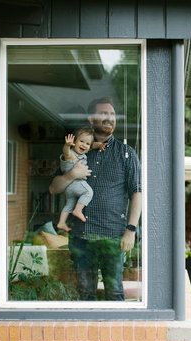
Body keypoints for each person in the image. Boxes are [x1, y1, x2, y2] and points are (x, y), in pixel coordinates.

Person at [49, 97, 142, 301]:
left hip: (113, 237)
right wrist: (71, 175)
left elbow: (137, 192)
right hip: (82, 237)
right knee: (85, 294)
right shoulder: (77, 152)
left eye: (112, 114)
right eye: (104, 114)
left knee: (115, 293)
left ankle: (115, 334)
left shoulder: (127, 154)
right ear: (91, 119)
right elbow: (53, 188)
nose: (109, 118)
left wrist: (131, 230)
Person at [56, 128, 105, 231]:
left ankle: (61, 222)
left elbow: (92, 145)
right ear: (74, 142)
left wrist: (100, 145)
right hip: (77, 183)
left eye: (87, 143)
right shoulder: (72, 155)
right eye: (81, 141)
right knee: (88, 192)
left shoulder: (82, 153)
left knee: (69, 204)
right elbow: (66, 152)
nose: (84, 145)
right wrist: (67, 145)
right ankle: (78, 210)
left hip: (68, 188)